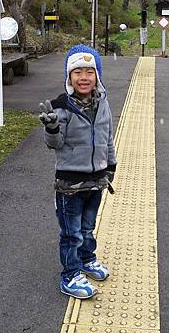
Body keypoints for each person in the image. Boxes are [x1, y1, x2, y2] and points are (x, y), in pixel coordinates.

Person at [39, 44, 117, 299]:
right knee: (71, 233)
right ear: (69, 77)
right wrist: (51, 128)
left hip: (96, 180)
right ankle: (70, 275)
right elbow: (55, 144)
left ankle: (87, 259)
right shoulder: (60, 106)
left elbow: (107, 137)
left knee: (86, 228)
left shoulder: (102, 102)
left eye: (89, 72)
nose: (84, 78)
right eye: (77, 72)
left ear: (97, 76)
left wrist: (111, 167)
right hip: (70, 184)